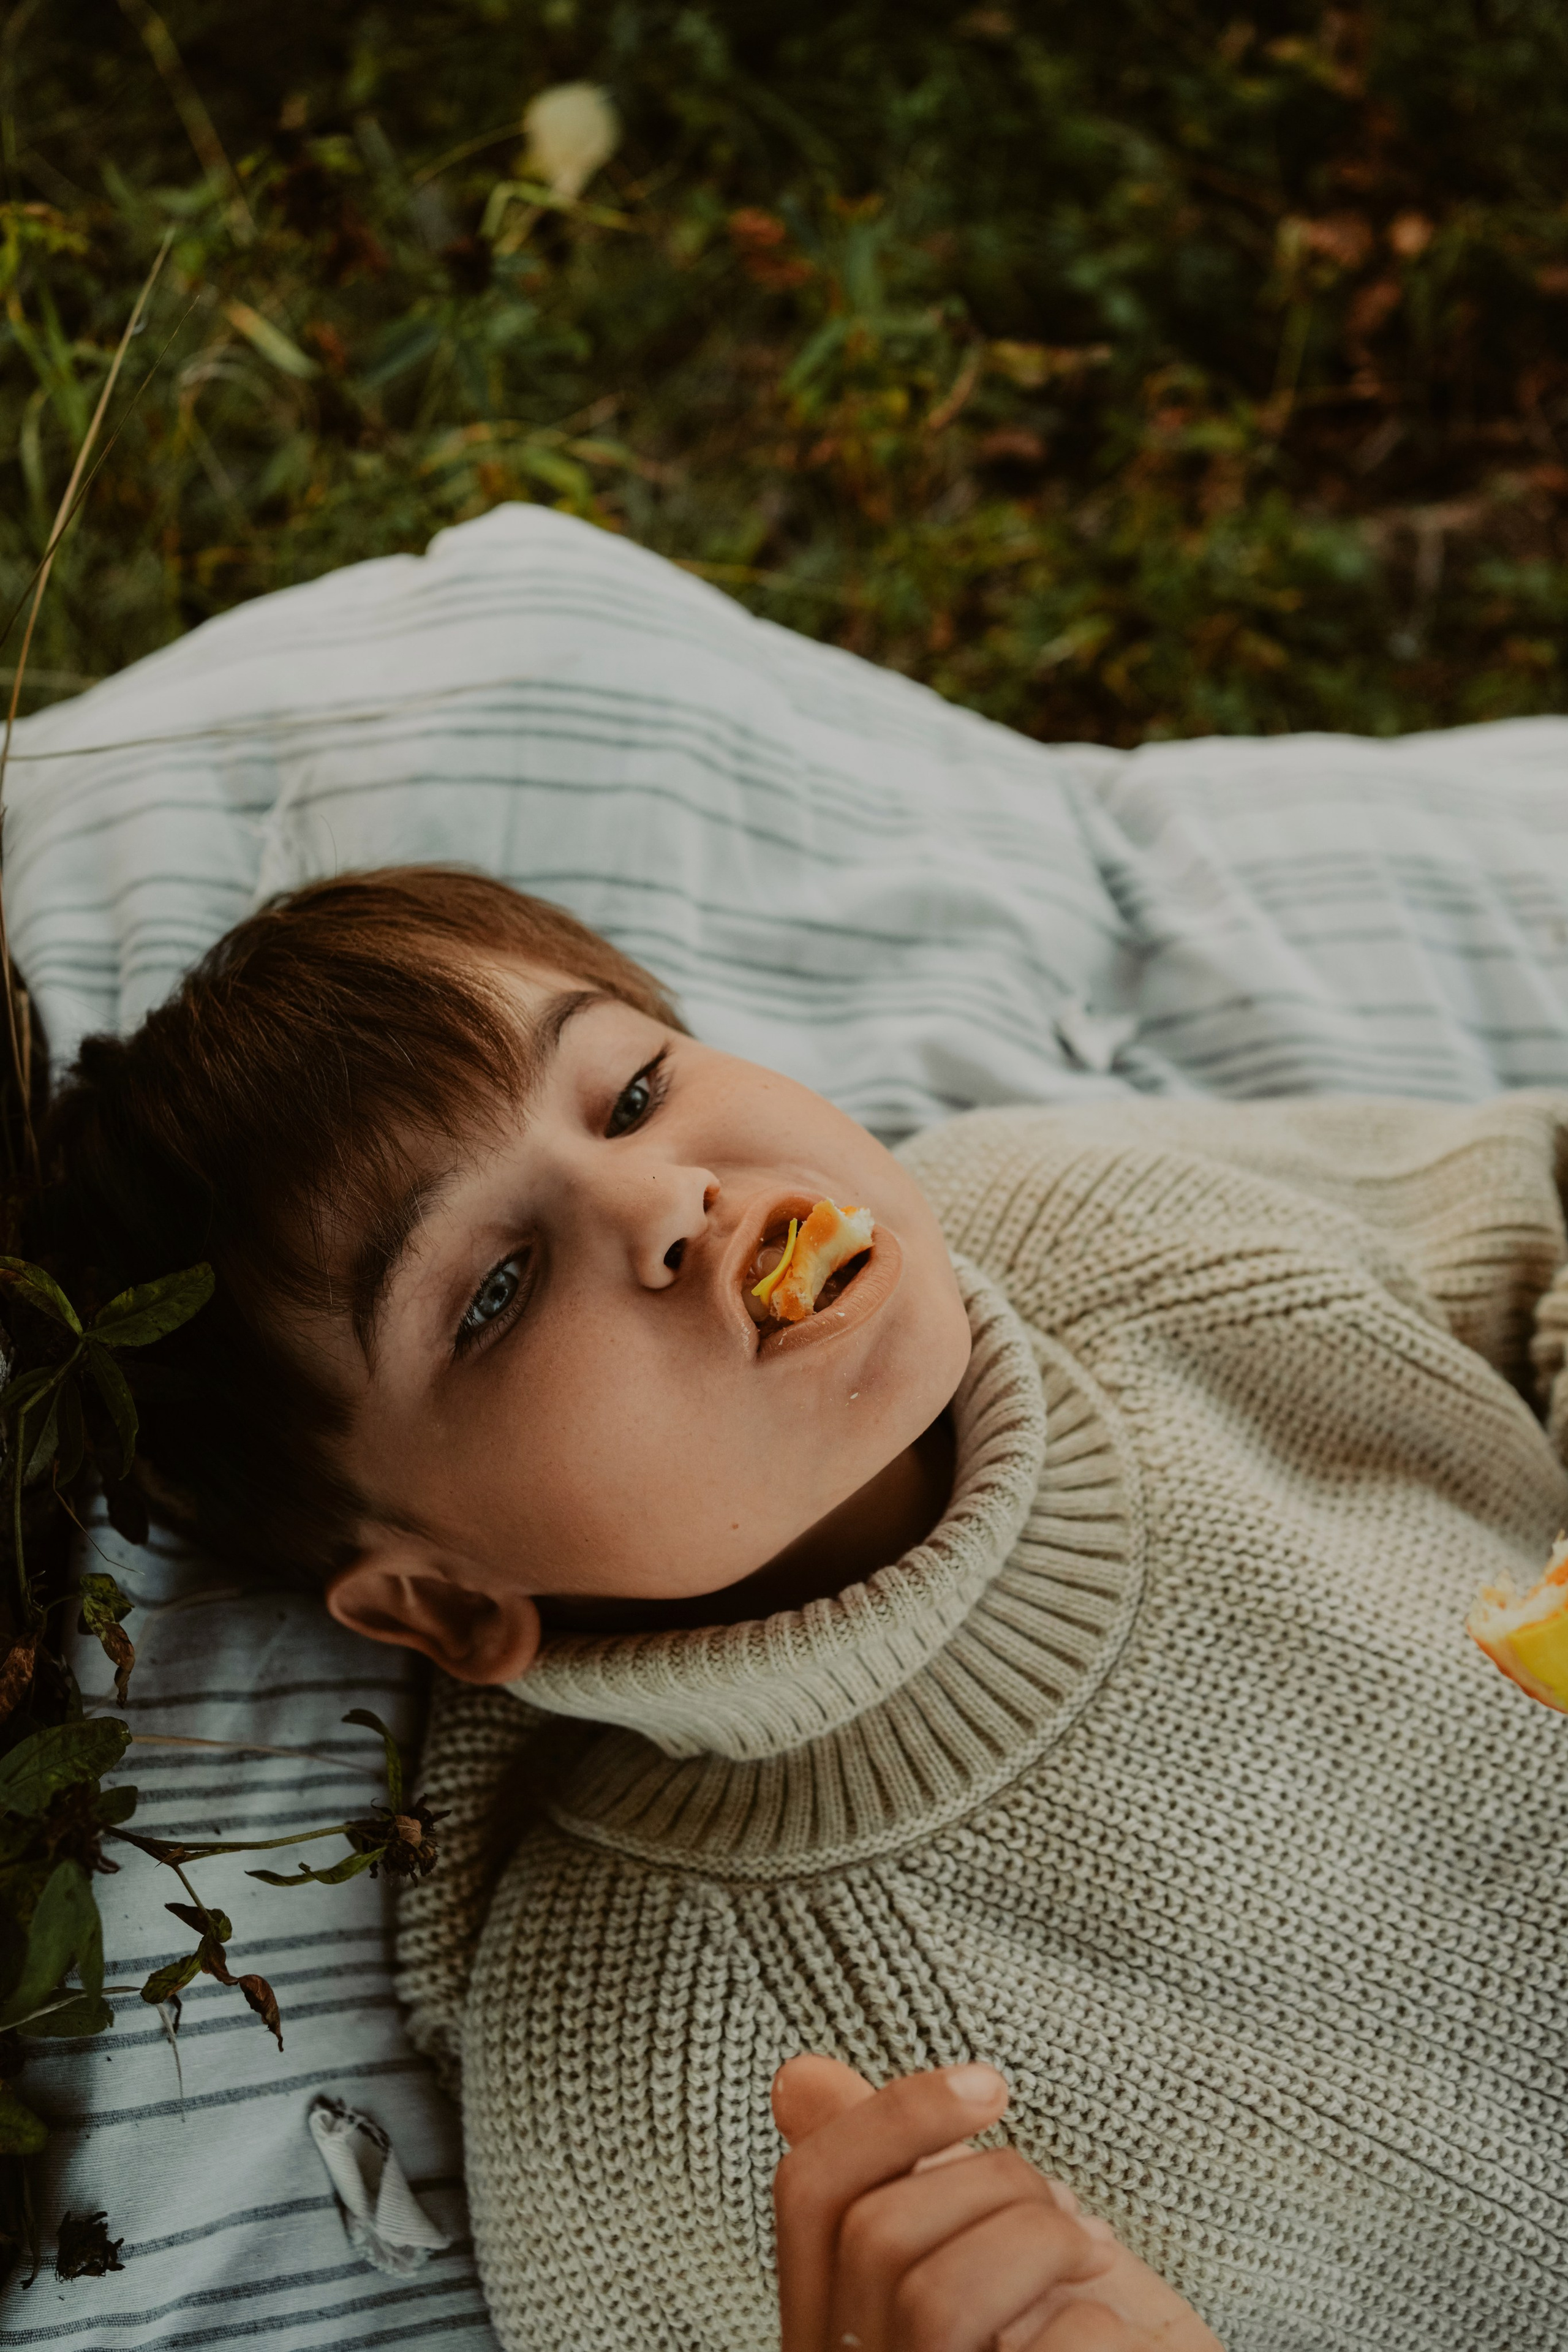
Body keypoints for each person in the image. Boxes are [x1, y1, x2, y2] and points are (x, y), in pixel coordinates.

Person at [39, 866, 1568, 2351]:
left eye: (631, 1093)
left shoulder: (1096, 1224)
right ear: (444, 1600)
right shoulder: (652, 2070)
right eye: (496, 1290)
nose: (669, 1199)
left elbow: (1531, 1210)